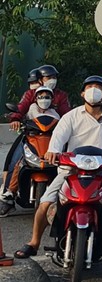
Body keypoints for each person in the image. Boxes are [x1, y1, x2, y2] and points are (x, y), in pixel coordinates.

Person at [15, 76, 102, 271]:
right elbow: (57, 138)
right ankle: (34, 242)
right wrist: (53, 151)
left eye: (98, 87)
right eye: (89, 87)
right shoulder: (71, 116)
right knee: (45, 202)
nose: (94, 90)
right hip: (71, 169)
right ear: (82, 93)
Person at [0, 86, 61, 216]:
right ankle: (9, 194)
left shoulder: (56, 113)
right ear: (35, 97)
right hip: (32, 139)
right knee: (17, 163)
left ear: (52, 99)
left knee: (65, 165)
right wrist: (16, 120)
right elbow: (19, 111)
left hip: (50, 143)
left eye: (47, 97)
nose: (44, 99)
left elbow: (66, 121)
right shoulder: (31, 108)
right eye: (41, 96)